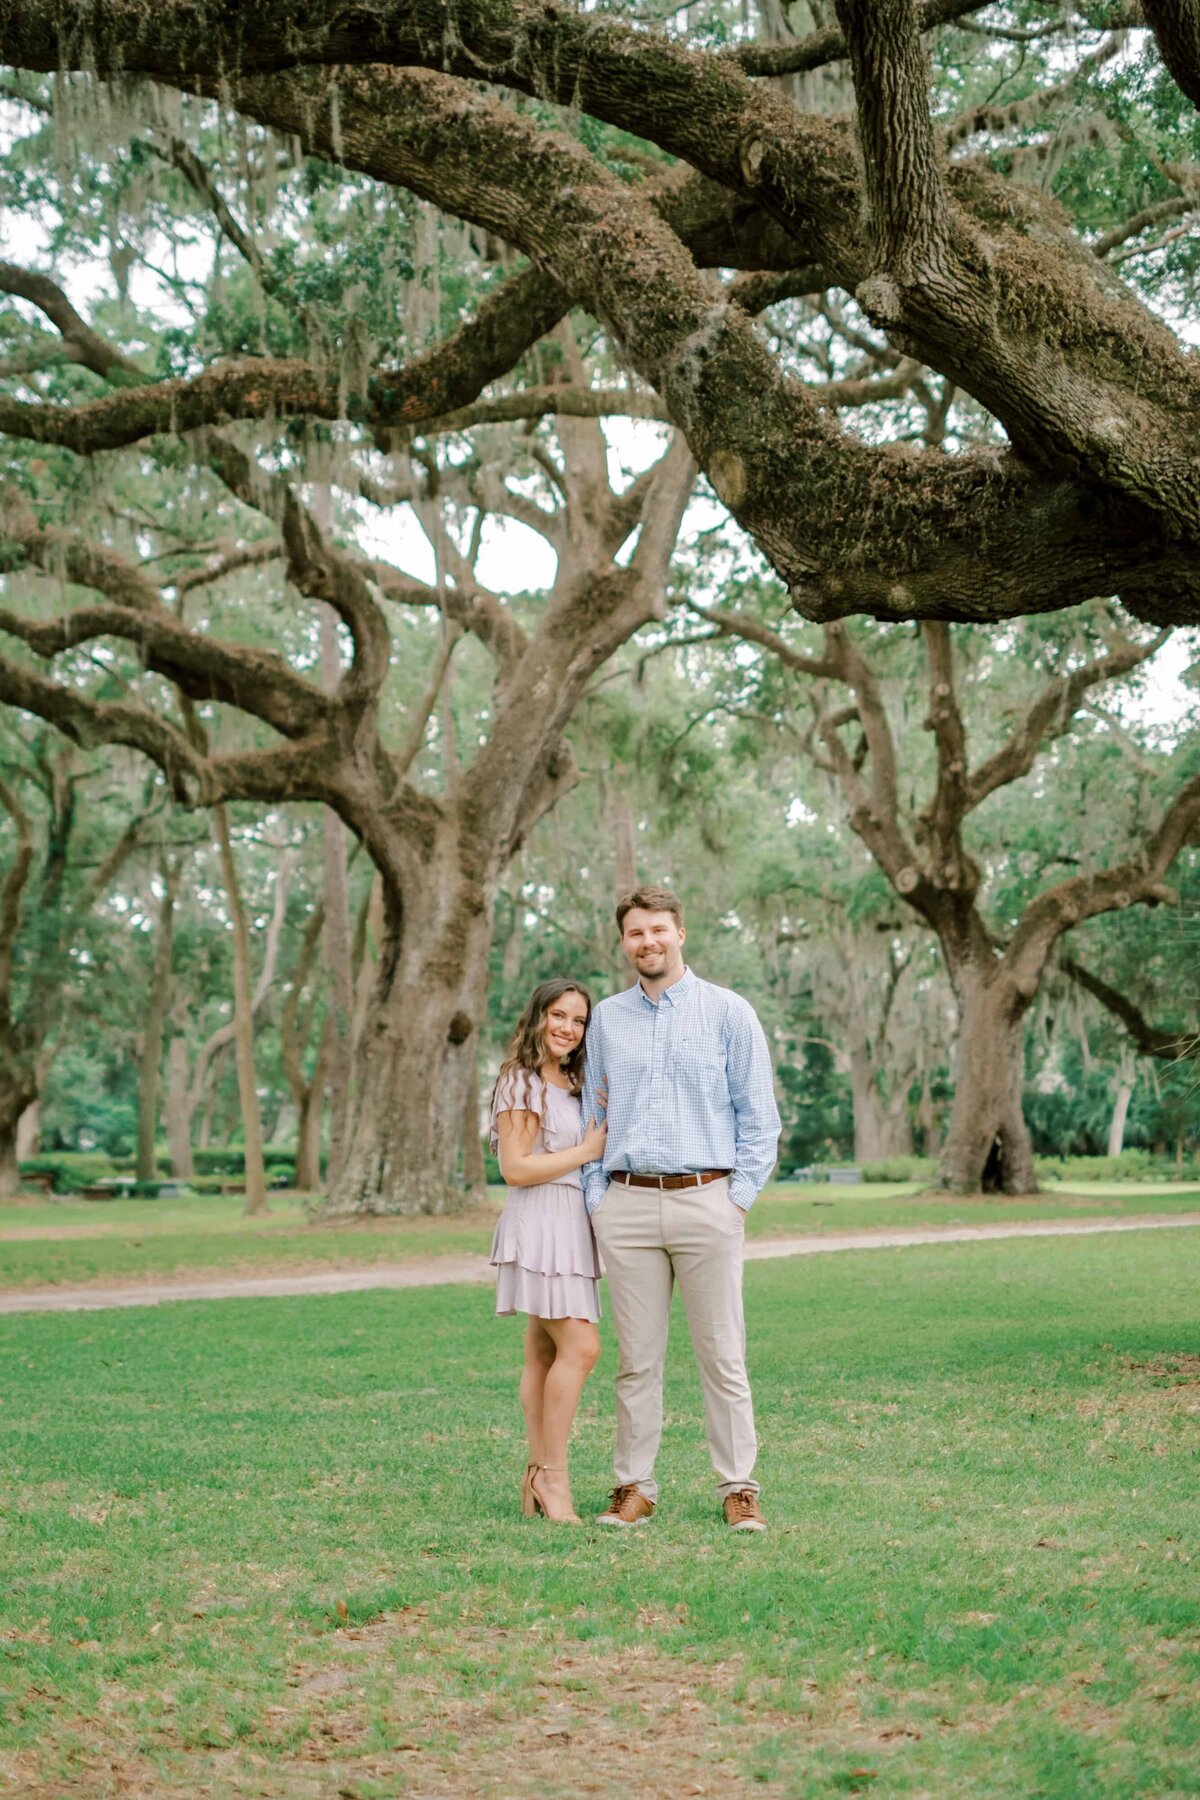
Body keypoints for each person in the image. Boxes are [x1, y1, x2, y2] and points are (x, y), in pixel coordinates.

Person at [581, 886, 781, 1532]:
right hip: (628, 1205)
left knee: (722, 1354)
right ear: (624, 942)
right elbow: (594, 1114)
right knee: (636, 1360)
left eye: (658, 930)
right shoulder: (607, 1019)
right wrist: (597, 1199)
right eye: (636, 933)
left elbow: (760, 1117)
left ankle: (739, 1488)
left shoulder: (728, 1012)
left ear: (680, 933)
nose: (648, 942)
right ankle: (634, 1487)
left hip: (707, 1201)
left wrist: (737, 1199)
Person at [489, 978, 607, 1525]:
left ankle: (535, 1475)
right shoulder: (522, 1081)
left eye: (578, 1020)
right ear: (537, 1017)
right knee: (581, 1347)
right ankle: (552, 1477)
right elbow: (515, 1168)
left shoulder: (574, 1080)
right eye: (558, 1016)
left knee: (542, 1353)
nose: (568, 1028)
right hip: (540, 1222)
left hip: (572, 1225)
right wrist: (585, 1150)